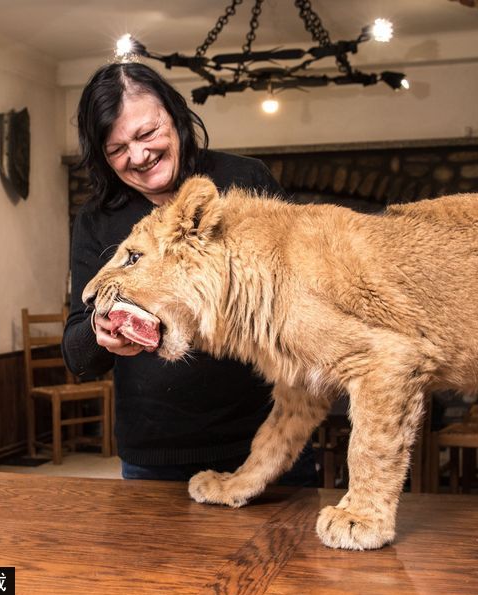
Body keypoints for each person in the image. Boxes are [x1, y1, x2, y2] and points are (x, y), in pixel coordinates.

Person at [62, 62, 316, 483]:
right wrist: (100, 330)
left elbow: (302, 293)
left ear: (176, 117)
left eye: (146, 134)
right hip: (155, 453)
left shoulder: (245, 179)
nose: (138, 156)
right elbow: (77, 356)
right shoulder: (96, 220)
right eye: (117, 149)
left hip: (268, 442)